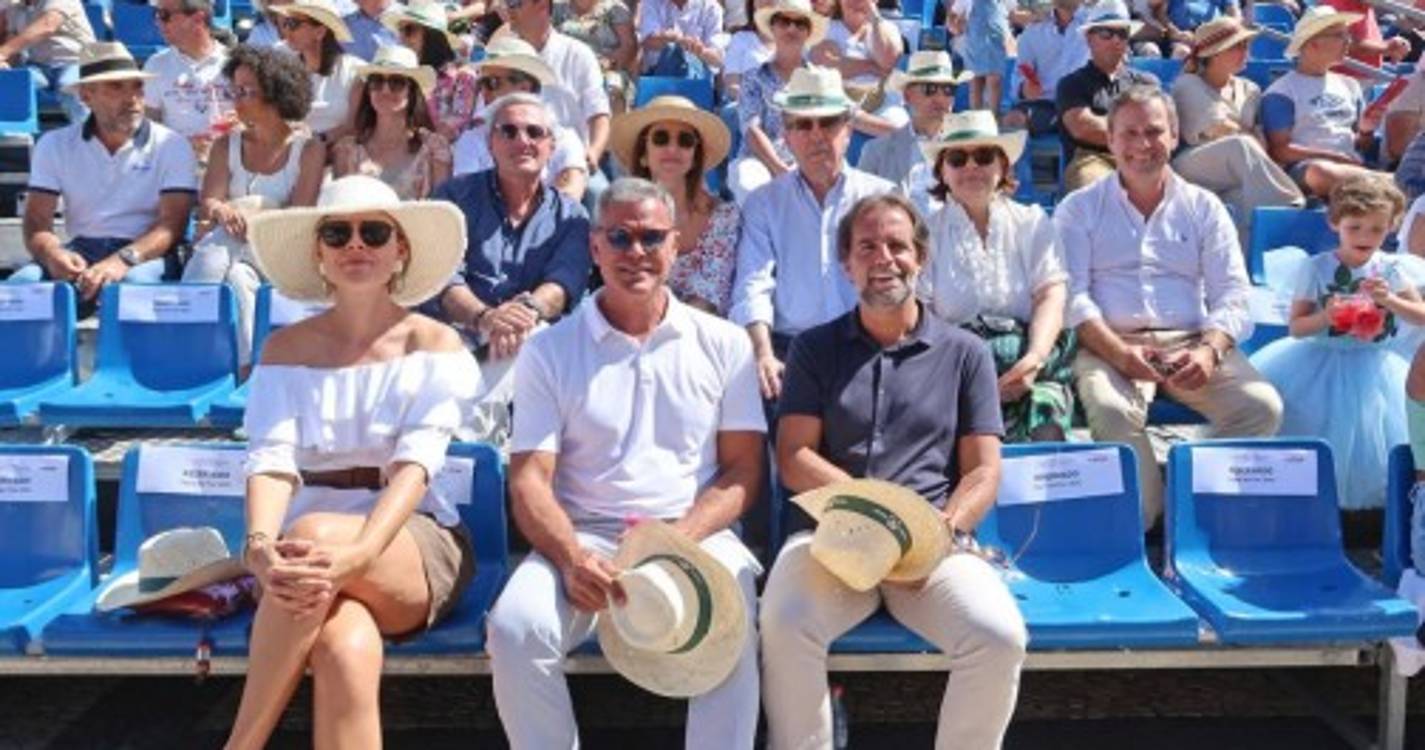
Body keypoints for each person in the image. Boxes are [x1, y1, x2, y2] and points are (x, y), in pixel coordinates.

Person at [484, 177, 766, 750]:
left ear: (676, 245)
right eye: (619, 237)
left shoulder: (727, 342)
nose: (635, 252)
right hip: (584, 539)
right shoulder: (548, 350)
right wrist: (570, 557)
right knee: (515, 631)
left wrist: (675, 543)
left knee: (733, 622)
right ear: (594, 247)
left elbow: (742, 472)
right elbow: (530, 479)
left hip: (694, 536)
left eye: (650, 237)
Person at [761, 192, 1026, 750]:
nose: (884, 257)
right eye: (867, 247)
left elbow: (983, 471)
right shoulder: (814, 348)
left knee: (998, 637)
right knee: (784, 624)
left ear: (920, 258)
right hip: (829, 538)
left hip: (933, 547)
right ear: (847, 264)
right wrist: (878, 516)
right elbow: (794, 457)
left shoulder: (967, 353)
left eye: (897, 245)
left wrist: (943, 529)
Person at [222, 174, 480, 749]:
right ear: (319, 253)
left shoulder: (435, 343)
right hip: (301, 556)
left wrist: (359, 554)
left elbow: (416, 468)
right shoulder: (283, 349)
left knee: (310, 537)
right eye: (337, 233)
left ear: (400, 249)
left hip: (414, 540)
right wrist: (259, 548)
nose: (355, 245)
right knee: (343, 647)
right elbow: (270, 461)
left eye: (373, 232)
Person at [1057, 85, 1283, 526]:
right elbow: (1072, 296)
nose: (1143, 145)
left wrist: (1209, 350)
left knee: (1261, 408)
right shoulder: (1078, 208)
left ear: (1175, 135)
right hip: (1110, 344)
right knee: (1111, 411)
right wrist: (1119, 353)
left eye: (1155, 131)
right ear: (1109, 140)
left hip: (1190, 342)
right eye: (1130, 133)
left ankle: (1194, 508)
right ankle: (1147, 513)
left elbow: (1234, 293)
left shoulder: (1205, 207)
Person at [1249, 178, 1425, 510]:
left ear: (1390, 228)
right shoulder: (1316, 268)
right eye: (1354, 227)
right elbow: (1297, 327)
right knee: (1314, 423)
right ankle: (1309, 501)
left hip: (1374, 363)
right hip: (1317, 361)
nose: (1364, 237)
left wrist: (1392, 301)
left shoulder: (1391, 268)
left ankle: (1368, 512)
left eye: (1375, 229)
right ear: (1335, 224)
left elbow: (1420, 315)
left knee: (1372, 435)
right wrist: (1326, 317)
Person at [429, 93, 592, 439]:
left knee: (534, 338)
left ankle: (467, 442)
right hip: (454, 331)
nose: (523, 141)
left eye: (535, 132)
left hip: (524, 338)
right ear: (491, 143)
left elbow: (565, 282)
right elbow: (443, 275)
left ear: (551, 146)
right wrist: (484, 317)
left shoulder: (571, 216)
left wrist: (527, 310)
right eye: (509, 131)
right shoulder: (452, 199)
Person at [730, 66, 896, 401]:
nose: (816, 135)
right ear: (787, 136)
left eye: (828, 122)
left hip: (868, 345)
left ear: (848, 129)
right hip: (790, 351)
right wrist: (763, 354)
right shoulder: (764, 203)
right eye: (803, 124)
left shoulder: (883, 198)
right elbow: (753, 285)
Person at [921, 111, 1075, 443]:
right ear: (942, 172)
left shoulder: (1032, 222)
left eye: (984, 156)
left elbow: (1050, 295)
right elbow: (922, 317)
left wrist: (1033, 361)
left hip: (1027, 364)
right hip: (952, 369)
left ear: (1003, 167)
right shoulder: (924, 234)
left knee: (1047, 422)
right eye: (958, 159)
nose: (971, 167)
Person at [14, 42, 197, 304]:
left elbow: (172, 225)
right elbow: (36, 221)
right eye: (116, 86)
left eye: (137, 86)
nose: (132, 97)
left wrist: (122, 260)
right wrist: (53, 253)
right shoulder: (54, 145)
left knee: (133, 287)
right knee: (20, 288)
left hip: (146, 253)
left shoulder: (172, 144)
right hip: (81, 249)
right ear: (86, 96)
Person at [183, 44, 325, 367]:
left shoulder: (309, 150)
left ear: (276, 95)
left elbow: (300, 216)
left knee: (212, 254)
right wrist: (223, 211)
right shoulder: (226, 145)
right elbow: (211, 202)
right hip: (235, 248)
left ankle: (189, 339)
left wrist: (253, 220)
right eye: (235, 90)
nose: (236, 99)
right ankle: (248, 369)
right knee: (237, 279)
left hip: (280, 249)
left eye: (246, 91)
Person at [1170, 17, 1304, 244]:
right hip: (1191, 165)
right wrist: (1247, 134)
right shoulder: (1187, 84)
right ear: (1213, 54)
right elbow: (1218, 129)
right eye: (1237, 46)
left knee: (1241, 204)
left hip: (1239, 170)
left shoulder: (1250, 89)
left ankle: (1253, 258)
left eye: (1245, 45)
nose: (1245, 51)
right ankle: (1287, 207)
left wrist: (1247, 134)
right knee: (1240, 145)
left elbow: (1257, 140)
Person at [611, 95, 739, 315]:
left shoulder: (724, 216)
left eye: (685, 141)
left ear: (694, 156)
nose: (673, 148)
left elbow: (708, 296)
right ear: (643, 154)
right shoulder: (621, 215)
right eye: (661, 138)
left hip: (701, 334)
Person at [1261, 7, 1383, 199]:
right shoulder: (1281, 92)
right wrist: (1332, 157)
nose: (1348, 42)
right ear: (1313, 44)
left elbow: (1362, 145)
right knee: (1320, 172)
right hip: (1307, 170)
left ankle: (1380, 184)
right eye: (1340, 35)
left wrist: (1366, 131)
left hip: (1351, 166)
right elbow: (1280, 151)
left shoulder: (1351, 85)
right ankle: (1388, 183)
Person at [450, 37, 588, 201]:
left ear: (524, 88)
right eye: (482, 84)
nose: (484, 92)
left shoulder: (565, 139)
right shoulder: (472, 140)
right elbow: (468, 198)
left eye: (493, 83)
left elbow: (571, 193)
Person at [501, 0, 611, 185]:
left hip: (570, 159)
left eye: (516, 3)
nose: (508, 10)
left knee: (597, 192)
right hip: (516, 157)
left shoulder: (578, 54)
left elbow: (599, 114)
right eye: (508, 3)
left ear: (542, 5)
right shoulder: (503, 59)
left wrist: (593, 152)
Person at [727, 0, 825, 203]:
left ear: (808, 33)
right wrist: (780, 170)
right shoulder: (753, 77)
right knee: (751, 186)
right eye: (784, 21)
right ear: (772, 27)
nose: (791, 28)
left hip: (807, 160)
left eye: (800, 24)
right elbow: (751, 129)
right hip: (757, 160)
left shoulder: (821, 80)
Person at [1056, 7, 1157, 193]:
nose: (1116, 39)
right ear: (1089, 38)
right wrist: (1136, 131)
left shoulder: (1146, 82)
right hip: (1091, 158)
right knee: (1097, 193)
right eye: (1106, 32)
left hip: (1142, 157)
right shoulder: (1071, 83)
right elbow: (1083, 128)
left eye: (1122, 33)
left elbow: (1159, 125)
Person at [331, 45, 452, 200]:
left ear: (412, 92)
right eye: (377, 81)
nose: (385, 90)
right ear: (368, 91)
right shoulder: (346, 150)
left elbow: (441, 209)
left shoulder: (435, 149)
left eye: (396, 82)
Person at [856, 50, 967, 192]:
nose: (940, 98)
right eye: (930, 89)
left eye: (948, 89)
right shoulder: (876, 151)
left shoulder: (969, 152)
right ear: (908, 96)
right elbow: (863, 206)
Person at [143, 0, 233, 164]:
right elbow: (149, 127)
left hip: (230, 169)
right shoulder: (155, 65)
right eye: (156, 14)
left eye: (165, 15)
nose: (158, 22)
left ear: (198, 19)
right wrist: (183, 147)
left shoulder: (237, 62)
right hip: (178, 169)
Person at [383, 0, 477, 142]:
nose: (402, 38)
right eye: (400, 31)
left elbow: (455, 126)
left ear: (432, 36)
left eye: (409, 30)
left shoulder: (462, 77)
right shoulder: (397, 78)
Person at [269, 0, 361, 141]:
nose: (286, 31)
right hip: (292, 150)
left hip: (338, 151)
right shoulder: (283, 67)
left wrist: (315, 139)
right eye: (285, 23)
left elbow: (354, 126)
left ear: (320, 31)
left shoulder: (354, 71)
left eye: (293, 24)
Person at [810, 0, 906, 125]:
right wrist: (871, 67)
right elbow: (826, 64)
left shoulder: (888, 28)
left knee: (900, 126)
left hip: (881, 104)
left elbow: (887, 61)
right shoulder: (826, 27)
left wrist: (874, 18)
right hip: (835, 102)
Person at [0, 0, 95, 122]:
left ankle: (89, 133)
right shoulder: (15, 9)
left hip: (77, 61)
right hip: (39, 66)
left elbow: (47, 26)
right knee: (15, 83)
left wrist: (2, 53)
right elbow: (13, 46)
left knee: (69, 85)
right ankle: (18, 135)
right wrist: (6, 65)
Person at [1008, 0, 1089, 135]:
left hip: (1083, 103)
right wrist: (1024, 89)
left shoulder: (1098, 26)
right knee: (1013, 121)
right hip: (1045, 104)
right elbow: (1019, 76)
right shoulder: (1033, 30)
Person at [551, 0, 635, 111]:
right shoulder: (557, 8)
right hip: (566, 67)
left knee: (614, 87)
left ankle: (613, 126)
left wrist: (607, 63)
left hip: (606, 69)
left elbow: (628, 47)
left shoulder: (615, 8)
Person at [955, 0, 1013, 116]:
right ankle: (975, 118)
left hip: (997, 40)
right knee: (976, 80)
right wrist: (956, 24)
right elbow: (954, 14)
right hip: (974, 40)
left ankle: (993, 117)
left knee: (995, 79)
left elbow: (1012, 12)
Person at [637, 0, 725, 77]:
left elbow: (718, 59)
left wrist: (700, 50)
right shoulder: (651, 2)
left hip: (698, 77)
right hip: (656, 74)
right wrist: (677, 41)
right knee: (671, 51)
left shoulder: (711, 7)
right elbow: (647, 40)